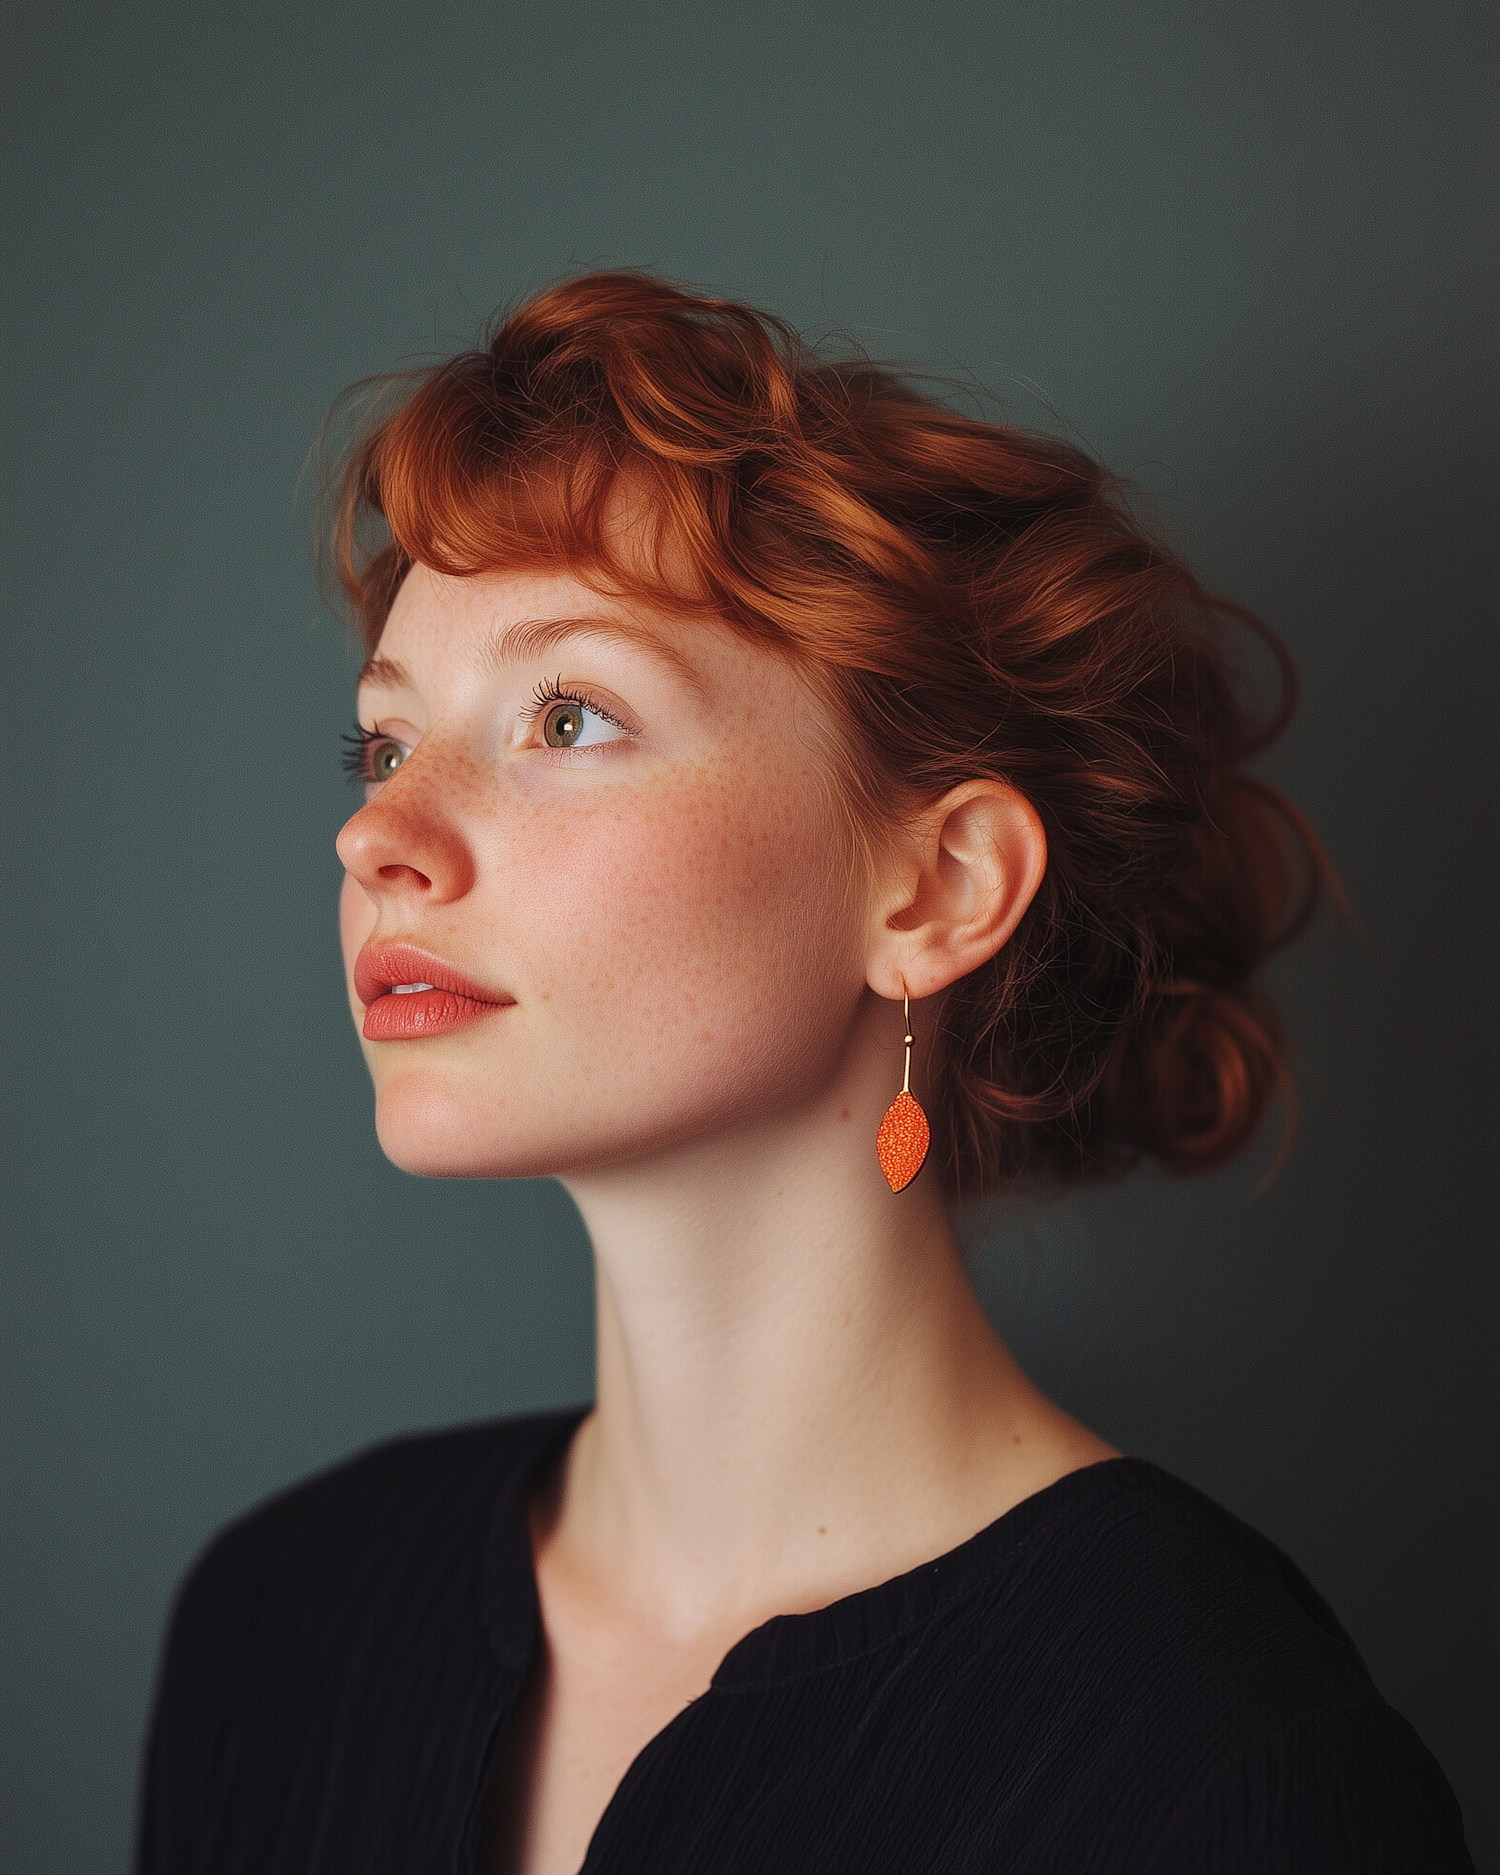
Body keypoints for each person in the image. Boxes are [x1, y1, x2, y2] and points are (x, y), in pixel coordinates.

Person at [134, 272, 1472, 1874]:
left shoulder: (1225, 1767)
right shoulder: (281, 1623)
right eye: (385, 742)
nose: (379, 836)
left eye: (568, 716)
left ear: (939, 889)